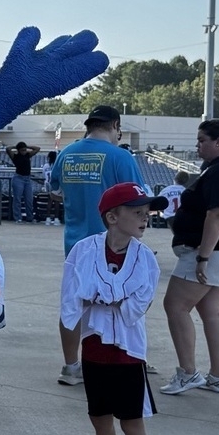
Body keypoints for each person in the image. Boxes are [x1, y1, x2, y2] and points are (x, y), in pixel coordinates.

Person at [60, 183, 163, 435]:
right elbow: (72, 300)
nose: (145, 218)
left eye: (146, 212)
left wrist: (99, 297)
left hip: (129, 353)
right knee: (100, 417)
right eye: (137, 212)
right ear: (112, 217)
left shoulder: (145, 257)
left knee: (132, 423)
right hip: (94, 349)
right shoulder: (83, 251)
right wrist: (69, 356)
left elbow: (137, 305)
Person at [50, 106, 143, 385]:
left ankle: (70, 366)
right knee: (119, 303)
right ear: (115, 126)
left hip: (76, 244)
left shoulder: (66, 154)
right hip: (113, 243)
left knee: (73, 305)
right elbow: (137, 204)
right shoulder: (120, 157)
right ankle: (120, 357)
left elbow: (55, 192)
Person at [160, 119, 219, 396]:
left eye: (201, 141)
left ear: (218, 142)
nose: (197, 146)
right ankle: (218, 377)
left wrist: (203, 257)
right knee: (211, 311)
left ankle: (188, 373)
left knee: (175, 306)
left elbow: (218, 214)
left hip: (214, 250)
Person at [7, 141, 40, 224]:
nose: (24, 152)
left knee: (29, 199)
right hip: (18, 178)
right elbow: (8, 149)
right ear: (18, 150)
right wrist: (16, 146)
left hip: (27, 179)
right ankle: (17, 217)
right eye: (22, 150)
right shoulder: (15, 156)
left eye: (25, 150)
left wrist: (27, 146)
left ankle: (30, 217)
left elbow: (37, 149)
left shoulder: (28, 155)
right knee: (17, 199)